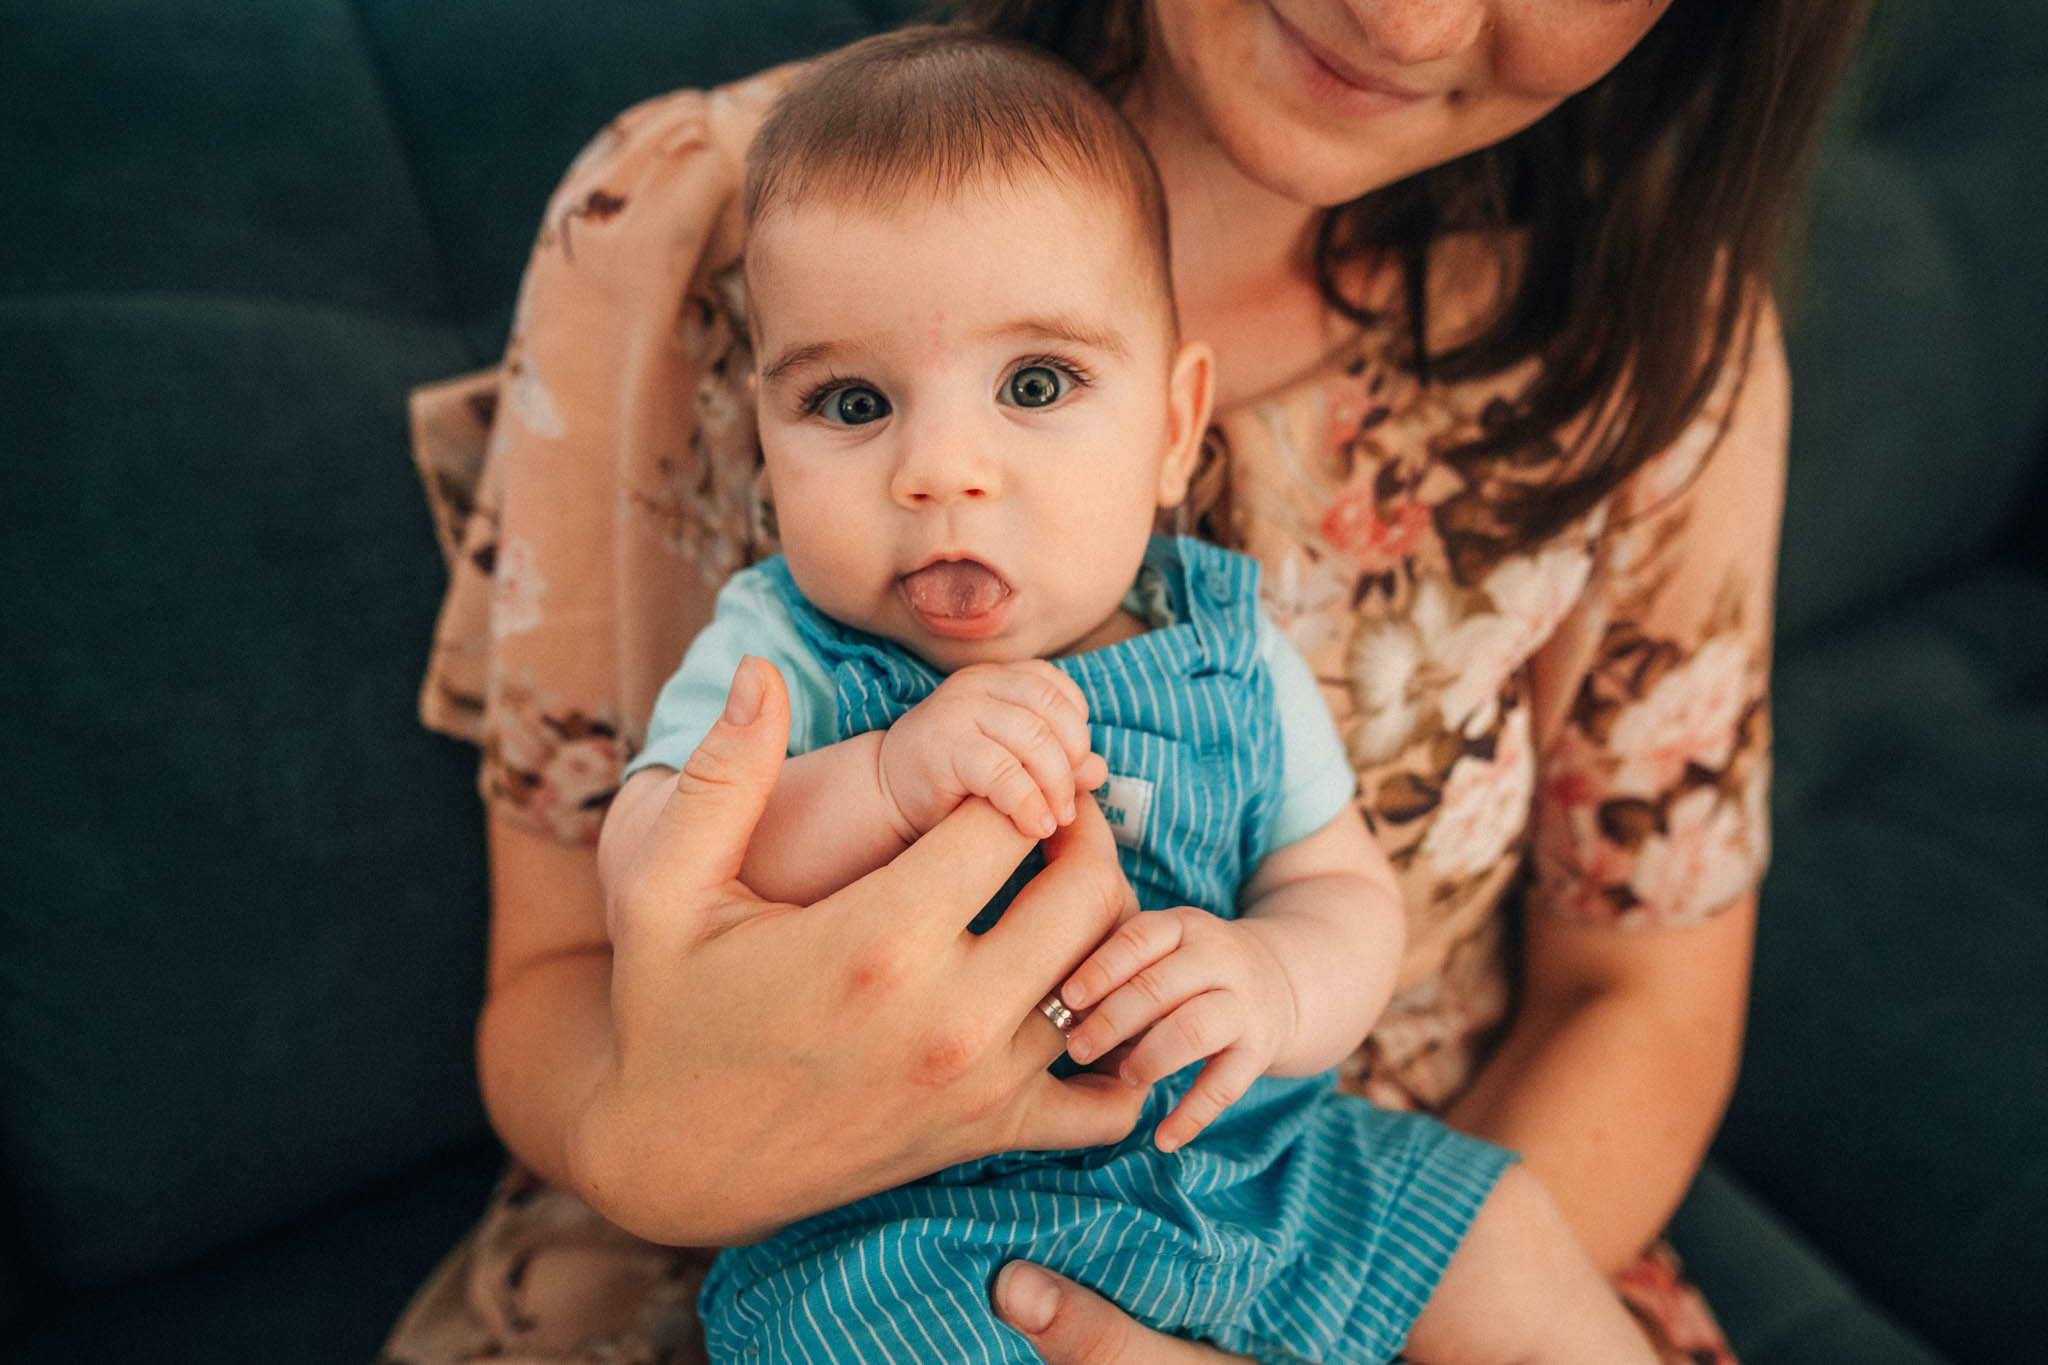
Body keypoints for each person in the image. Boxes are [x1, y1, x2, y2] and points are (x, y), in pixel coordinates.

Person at [386, 2, 1870, 1362]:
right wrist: (872, 802)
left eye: (1038, 388)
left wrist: (1275, 981)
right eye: (849, 404)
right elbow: (632, 887)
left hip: (1271, 1164)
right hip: (904, 1226)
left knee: (1502, 1240)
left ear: (1179, 429)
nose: (943, 472)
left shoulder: (1239, 630)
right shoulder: (781, 622)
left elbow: (1451, 930)